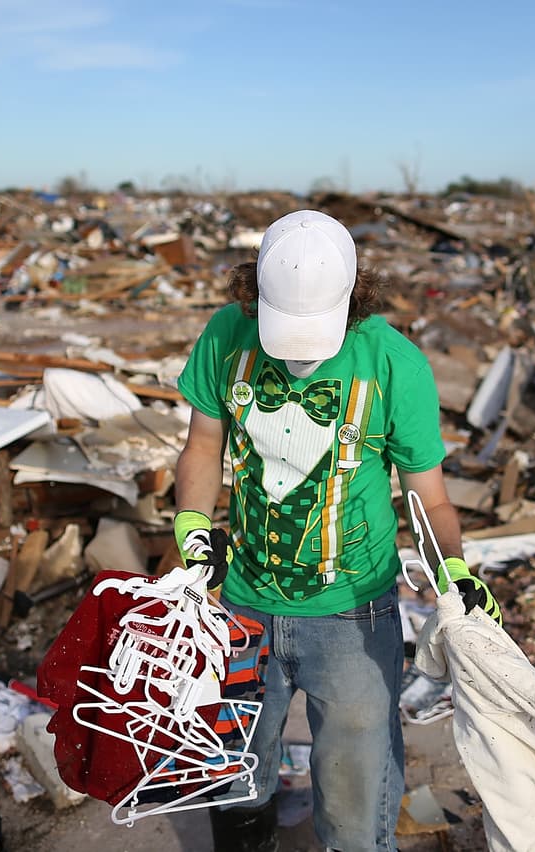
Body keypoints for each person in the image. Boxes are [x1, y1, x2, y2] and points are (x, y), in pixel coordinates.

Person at [172, 209, 501, 852]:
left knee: (355, 799)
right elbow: (204, 445)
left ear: (353, 297)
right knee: (231, 772)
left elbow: (429, 498)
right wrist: (192, 525)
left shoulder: (393, 363)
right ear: (255, 294)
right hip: (241, 608)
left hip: (353, 615)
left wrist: (453, 570)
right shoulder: (225, 337)